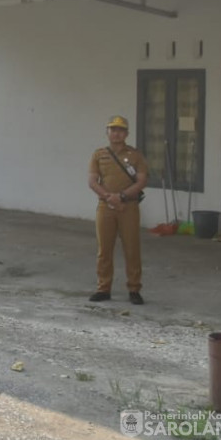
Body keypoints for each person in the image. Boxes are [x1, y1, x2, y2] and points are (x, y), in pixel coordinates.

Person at [87, 115, 149, 305]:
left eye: (121, 130)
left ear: (127, 134)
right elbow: (92, 181)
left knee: (132, 249)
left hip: (128, 207)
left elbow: (142, 180)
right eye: (113, 129)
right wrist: (109, 197)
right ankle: (103, 288)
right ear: (107, 132)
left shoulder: (135, 155)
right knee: (104, 249)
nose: (116, 133)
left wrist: (121, 196)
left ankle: (134, 289)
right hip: (106, 207)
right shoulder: (99, 154)